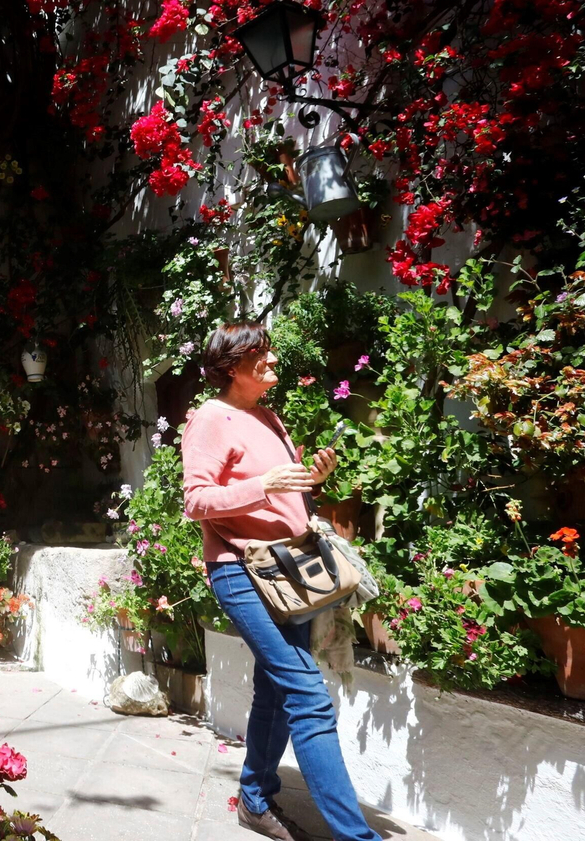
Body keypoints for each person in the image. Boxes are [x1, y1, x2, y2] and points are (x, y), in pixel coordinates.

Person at [182, 321, 379, 841]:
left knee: (274, 689)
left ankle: (253, 797)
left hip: (287, 572)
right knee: (308, 697)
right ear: (232, 367)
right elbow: (195, 501)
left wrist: (310, 478)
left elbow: (281, 497)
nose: (272, 363)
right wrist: (262, 484)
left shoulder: (267, 416)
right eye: (260, 358)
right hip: (241, 572)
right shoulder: (211, 418)